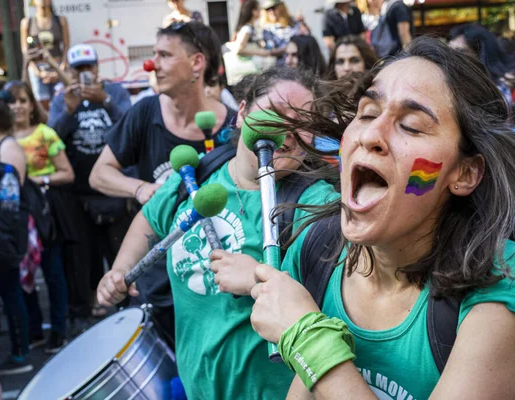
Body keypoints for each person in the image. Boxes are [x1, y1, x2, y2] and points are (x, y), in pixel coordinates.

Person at [249, 36, 515, 398]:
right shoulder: (318, 247)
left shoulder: (504, 283)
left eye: (412, 126)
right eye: (368, 113)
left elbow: (313, 359)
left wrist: (309, 340)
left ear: (464, 174)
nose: (371, 134)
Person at [96, 66, 338, 397]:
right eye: (277, 112)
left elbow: (336, 303)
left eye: (303, 122)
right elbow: (149, 221)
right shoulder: (197, 174)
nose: (289, 129)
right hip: (198, 386)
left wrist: (256, 277)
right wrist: (122, 269)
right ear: (241, 113)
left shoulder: (316, 205)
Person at [89, 22, 236, 346]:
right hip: (157, 278)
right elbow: (99, 173)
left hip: (212, 281)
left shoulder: (231, 125)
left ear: (197, 63)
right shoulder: (145, 113)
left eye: (165, 55)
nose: (152, 64)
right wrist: (140, 189)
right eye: (154, 55)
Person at [47, 43, 133, 320]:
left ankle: (127, 302)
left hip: (114, 188)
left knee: (119, 249)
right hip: (80, 193)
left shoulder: (115, 92)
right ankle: (95, 301)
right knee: (86, 253)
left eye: (89, 67)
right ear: (72, 72)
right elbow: (50, 142)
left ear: (97, 68)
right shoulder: (63, 99)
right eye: (79, 69)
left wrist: (105, 100)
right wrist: (68, 112)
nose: (85, 73)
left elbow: (131, 128)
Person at [6, 80, 75, 354]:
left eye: (23, 100)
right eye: (12, 101)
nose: (18, 107)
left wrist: (36, 180)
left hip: (44, 214)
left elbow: (67, 173)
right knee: (21, 274)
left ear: (31, 104)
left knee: (52, 271)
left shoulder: (46, 134)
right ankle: (33, 329)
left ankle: (58, 331)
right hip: (12, 219)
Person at [0, 92, 30, 375]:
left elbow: (11, 199)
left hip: (1, 237)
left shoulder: (7, 147)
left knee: (12, 293)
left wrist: (5, 238)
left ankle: (20, 354)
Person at [20, 0, 70, 109]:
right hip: (37, 67)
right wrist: (37, 72)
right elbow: (25, 51)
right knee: (41, 102)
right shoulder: (27, 22)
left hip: (57, 65)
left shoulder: (60, 20)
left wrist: (61, 68)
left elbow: (66, 46)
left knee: (61, 98)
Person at [449, 24, 513, 104]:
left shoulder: (496, 91)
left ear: (480, 54)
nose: (451, 57)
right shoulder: (452, 81)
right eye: (449, 51)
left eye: (460, 51)